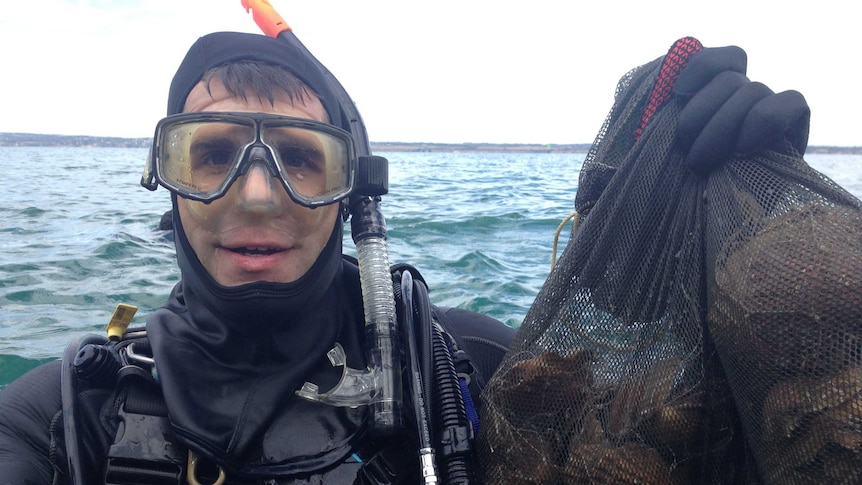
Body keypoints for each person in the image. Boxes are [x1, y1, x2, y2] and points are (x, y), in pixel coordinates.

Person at [0, 25, 810, 485]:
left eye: (300, 157)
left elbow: (693, 433)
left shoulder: (469, 369)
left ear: (353, 195)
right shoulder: (62, 418)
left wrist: (736, 218)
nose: (255, 194)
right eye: (211, 156)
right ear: (163, 181)